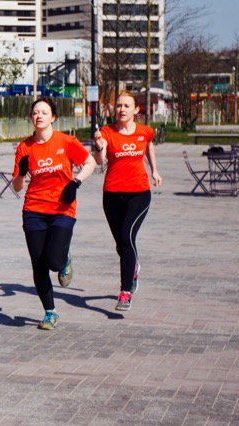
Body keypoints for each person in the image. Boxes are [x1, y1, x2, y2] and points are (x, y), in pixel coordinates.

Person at [11, 99, 97, 330]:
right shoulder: (24, 147)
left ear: (53, 117)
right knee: (39, 265)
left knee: (54, 261)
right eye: (35, 112)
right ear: (31, 117)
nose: (39, 115)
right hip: (34, 210)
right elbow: (17, 187)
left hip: (62, 209)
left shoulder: (66, 141)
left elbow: (90, 163)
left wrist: (76, 182)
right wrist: (21, 173)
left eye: (44, 112)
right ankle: (50, 311)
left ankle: (65, 259)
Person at [93, 92, 161, 312]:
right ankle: (134, 266)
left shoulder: (145, 131)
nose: (121, 109)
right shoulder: (107, 132)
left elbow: (149, 146)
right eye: (119, 105)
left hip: (139, 193)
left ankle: (125, 292)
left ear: (136, 110)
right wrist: (98, 146)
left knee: (126, 236)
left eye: (126, 106)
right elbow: (99, 161)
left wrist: (155, 171)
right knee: (121, 244)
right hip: (111, 194)